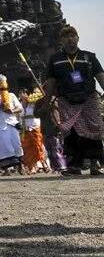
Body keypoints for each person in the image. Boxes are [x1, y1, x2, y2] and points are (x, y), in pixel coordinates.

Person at [44, 26, 104, 176]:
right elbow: (50, 83)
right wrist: (46, 103)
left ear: (78, 38)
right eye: (66, 37)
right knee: (71, 133)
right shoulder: (55, 60)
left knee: (94, 130)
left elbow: (101, 77)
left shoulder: (89, 57)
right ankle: (74, 166)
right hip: (67, 101)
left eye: (73, 36)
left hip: (89, 100)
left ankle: (94, 164)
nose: (70, 39)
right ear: (61, 40)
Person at [0, 75, 23, 174]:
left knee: (17, 145)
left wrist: (13, 111)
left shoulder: (11, 95)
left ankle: (20, 166)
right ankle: (6, 169)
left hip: (12, 124)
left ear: (1, 85)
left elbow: (20, 108)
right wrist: (0, 106)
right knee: (3, 147)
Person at [18, 85, 48, 174]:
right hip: (25, 127)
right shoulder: (20, 104)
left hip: (35, 126)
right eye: (19, 93)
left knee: (38, 146)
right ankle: (32, 167)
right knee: (27, 148)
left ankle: (44, 164)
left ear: (27, 94)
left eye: (22, 93)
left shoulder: (33, 103)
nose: (21, 95)